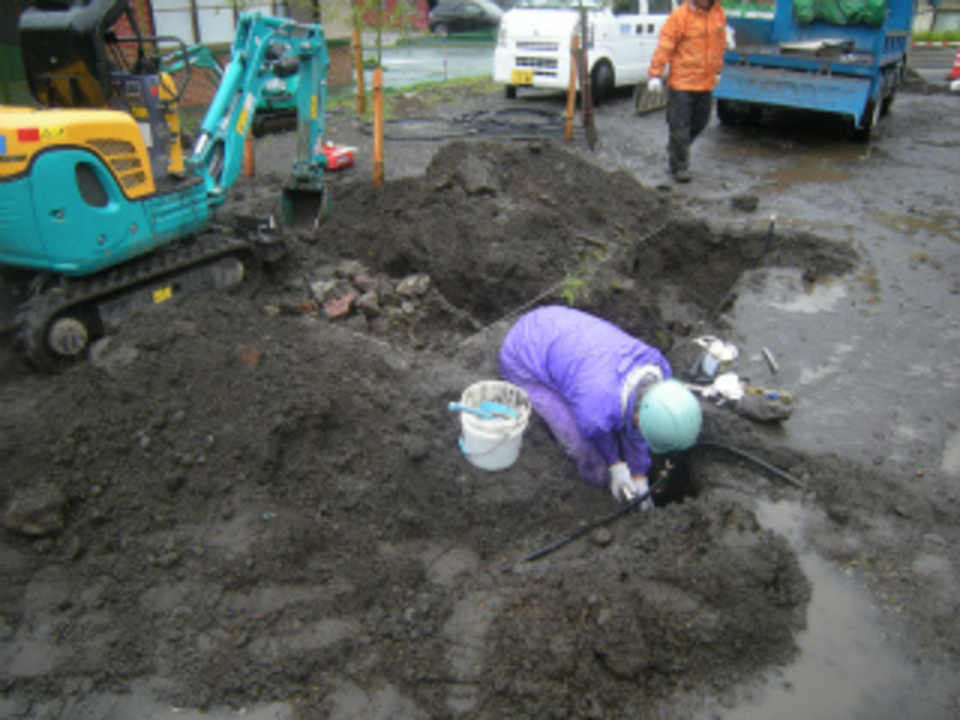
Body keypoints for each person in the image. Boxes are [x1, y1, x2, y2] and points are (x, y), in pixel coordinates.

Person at [498, 306, 702, 504]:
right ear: (639, 417)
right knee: (578, 441)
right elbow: (599, 430)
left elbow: (639, 427)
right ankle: (599, 484)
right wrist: (615, 468)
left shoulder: (658, 368)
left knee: (613, 419)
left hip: (555, 326)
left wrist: (640, 475)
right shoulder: (595, 410)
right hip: (522, 358)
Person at [646, 0, 728, 183]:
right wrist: (655, 74)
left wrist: (717, 70)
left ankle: (676, 148)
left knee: (701, 121)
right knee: (680, 126)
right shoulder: (680, 16)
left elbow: (719, 44)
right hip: (682, 83)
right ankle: (679, 167)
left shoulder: (718, 13)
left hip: (705, 82)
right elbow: (665, 44)